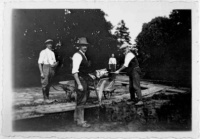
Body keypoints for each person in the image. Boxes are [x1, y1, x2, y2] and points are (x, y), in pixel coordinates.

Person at [72, 37, 91, 128]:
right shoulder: (77, 55)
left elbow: (83, 69)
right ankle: (81, 122)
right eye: (83, 45)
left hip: (84, 79)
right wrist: (79, 84)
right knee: (81, 101)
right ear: (79, 46)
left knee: (80, 100)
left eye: (86, 45)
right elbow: (75, 71)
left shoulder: (83, 55)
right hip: (80, 80)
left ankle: (77, 119)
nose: (85, 47)